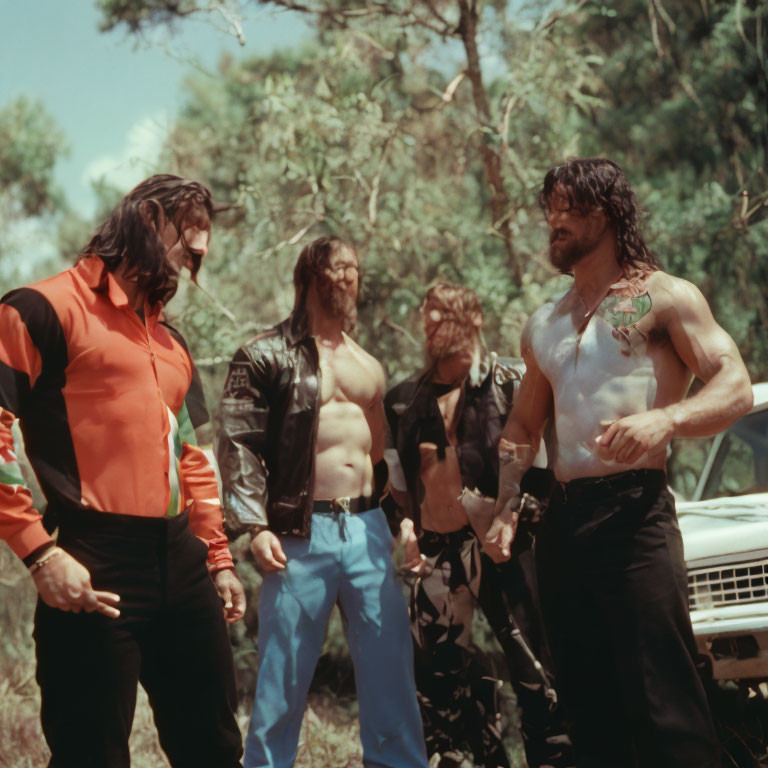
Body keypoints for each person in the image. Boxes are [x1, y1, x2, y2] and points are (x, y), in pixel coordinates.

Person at [487, 157, 754, 767]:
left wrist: (666, 420)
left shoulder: (662, 296)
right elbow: (524, 427)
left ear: (602, 212)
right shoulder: (545, 323)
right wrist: (505, 503)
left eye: (565, 208)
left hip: (636, 518)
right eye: (548, 209)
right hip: (564, 526)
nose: (552, 221)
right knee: (588, 712)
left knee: (667, 707)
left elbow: (734, 384)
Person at [0, 174, 245, 768]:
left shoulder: (171, 342)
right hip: (93, 561)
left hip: (183, 565)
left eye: (201, 253)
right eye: (187, 245)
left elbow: (194, 458)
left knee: (213, 750)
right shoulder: (39, 309)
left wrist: (216, 557)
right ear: (147, 218)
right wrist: (39, 553)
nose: (195, 262)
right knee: (91, 756)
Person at [217, 235, 428, 768]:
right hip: (297, 532)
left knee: (390, 675)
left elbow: (384, 458)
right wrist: (253, 525)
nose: (348, 277)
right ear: (309, 274)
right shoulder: (263, 354)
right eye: (337, 268)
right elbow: (237, 442)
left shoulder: (367, 364)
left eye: (354, 268)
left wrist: (404, 521)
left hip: (367, 529)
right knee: (281, 680)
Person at [384, 282, 572, 768]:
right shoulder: (405, 398)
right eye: (426, 315)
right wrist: (404, 527)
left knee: (537, 675)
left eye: (443, 313)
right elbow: (398, 480)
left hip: (508, 549)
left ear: (475, 318)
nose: (431, 323)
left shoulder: (514, 381)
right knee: (435, 685)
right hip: (436, 556)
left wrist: (514, 517)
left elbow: (549, 469)